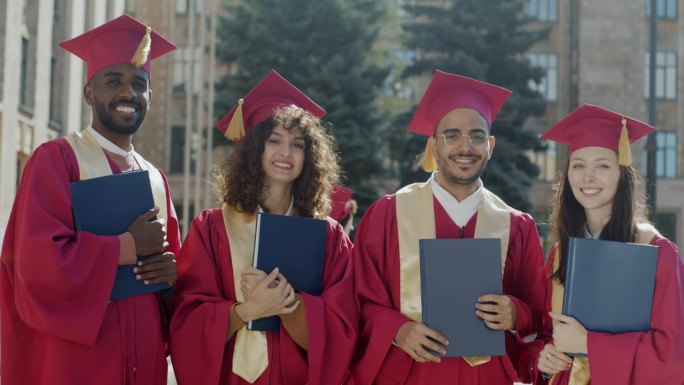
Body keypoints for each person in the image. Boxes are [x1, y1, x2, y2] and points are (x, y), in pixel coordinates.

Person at [0, 14, 180, 385]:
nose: (127, 93)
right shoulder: (57, 160)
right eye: (113, 81)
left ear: (150, 96)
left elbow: (174, 274)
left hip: (143, 361)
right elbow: (33, 264)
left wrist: (173, 278)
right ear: (89, 93)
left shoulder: (155, 179)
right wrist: (125, 248)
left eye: (138, 84)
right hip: (78, 362)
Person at [351, 69, 547, 385]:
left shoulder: (515, 225)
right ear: (433, 145)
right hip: (408, 374)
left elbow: (540, 312)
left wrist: (516, 313)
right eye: (452, 135)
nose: (465, 147)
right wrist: (398, 330)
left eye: (477, 136)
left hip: (486, 376)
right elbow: (357, 299)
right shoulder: (389, 214)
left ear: (491, 145)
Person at [169, 70, 357, 385]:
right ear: (255, 149)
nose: (286, 153)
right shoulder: (212, 227)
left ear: (308, 156)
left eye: (297, 144)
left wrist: (289, 305)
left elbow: (344, 327)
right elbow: (186, 320)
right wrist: (246, 310)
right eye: (274, 141)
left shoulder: (327, 236)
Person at [533, 104, 684, 384]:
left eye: (602, 165)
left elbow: (672, 356)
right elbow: (547, 335)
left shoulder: (656, 252)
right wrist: (545, 360)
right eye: (578, 165)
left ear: (622, 174)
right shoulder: (560, 254)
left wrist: (591, 344)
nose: (588, 177)